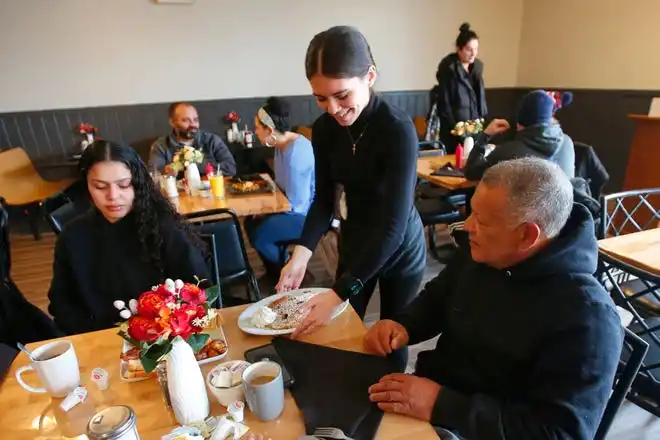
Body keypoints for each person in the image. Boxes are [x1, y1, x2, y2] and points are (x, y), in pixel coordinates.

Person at [365, 158, 622, 440]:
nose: (467, 226)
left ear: (526, 235)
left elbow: (558, 433)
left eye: (482, 222)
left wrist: (441, 404)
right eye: (471, 212)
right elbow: (441, 295)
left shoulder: (588, 319)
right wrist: (404, 325)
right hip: (436, 401)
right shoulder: (487, 251)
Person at [277, 26, 426, 347]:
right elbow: (323, 200)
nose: (332, 108)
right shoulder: (325, 130)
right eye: (321, 98)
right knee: (345, 332)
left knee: (390, 338)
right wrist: (301, 255)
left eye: (342, 95)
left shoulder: (396, 129)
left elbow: (393, 226)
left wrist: (340, 292)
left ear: (369, 77)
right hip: (357, 237)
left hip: (399, 247)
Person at [48, 140, 209, 335]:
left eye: (124, 185)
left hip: (166, 338)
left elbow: (198, 293)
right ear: (87, 187)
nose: (113, 196)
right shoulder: (73, 236)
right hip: (98, 341)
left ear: (138, 183)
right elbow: (62, 304)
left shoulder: (165, 229)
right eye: (100, 187)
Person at [244, 97, 315, 283]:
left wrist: (267, 211)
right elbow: (281, 186)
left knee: (261, 236)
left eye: (258, 128)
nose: (256, 132)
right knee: (250, 223)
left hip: (307, 216)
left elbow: (297, 204)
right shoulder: (280, 145)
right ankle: (274, 270)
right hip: (290, 207)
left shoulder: (296, 155)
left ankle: (293, 270)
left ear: (270, 130)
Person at [464, 89, 575, 181]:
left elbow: (471, 173)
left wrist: (485, 136)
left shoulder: (507, 153)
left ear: (519, 122)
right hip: (562, 207)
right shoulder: (567, 143)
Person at [434, 23, 488, 153]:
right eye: (469, 49)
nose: (473, 53)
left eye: (476, 49)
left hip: (474, 128)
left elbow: (480, 101)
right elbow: (445, 104)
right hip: (454, 131)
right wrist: (457, 129)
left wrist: (480, 124)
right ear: (459, 49)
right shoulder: (449, 70)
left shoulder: (476, 70)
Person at [149, 102, 236, 176]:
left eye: (195, 120)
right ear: (172, 122)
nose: (193, 125)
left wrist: (195, 163)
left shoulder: (212, 140)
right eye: (185, 120)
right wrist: (167, 171)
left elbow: (231, 169)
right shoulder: (160, 146)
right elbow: (153, 175)